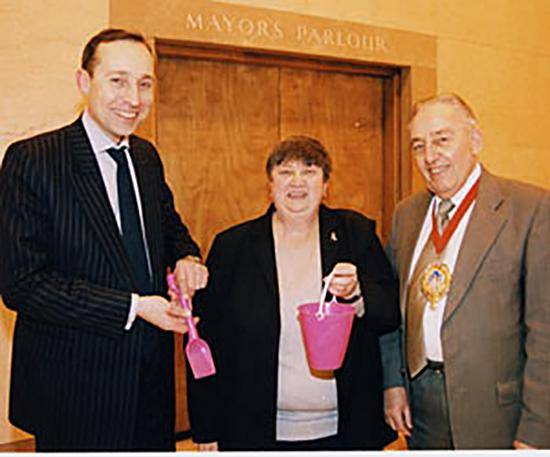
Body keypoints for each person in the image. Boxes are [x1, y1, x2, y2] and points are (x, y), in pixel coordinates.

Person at [0, 28, 209, 451]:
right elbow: (22, 284)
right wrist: (134, 307)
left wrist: (187, 256)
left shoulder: (147, 158)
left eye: (144, 83)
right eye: (118, 80)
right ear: (84, 82)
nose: (133, 98)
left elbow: (170, 228)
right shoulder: (33, 160)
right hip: (75, 389)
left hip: (150, 386)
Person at [187, 136, 400, 451]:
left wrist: (357, 294)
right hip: (253, 429)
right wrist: (206, 426)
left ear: (326, 185)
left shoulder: (356, 234)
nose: (297, 182)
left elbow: (390, 313)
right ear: (270, 186)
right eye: (285, 172)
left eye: (310, 171)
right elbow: (203, 340)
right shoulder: (233, 247)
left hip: (347, 429)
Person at [380, 93, 550, 449]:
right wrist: (394, 385)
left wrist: (537, 429)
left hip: (498, 413)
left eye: (442, 139)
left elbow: (545, 329)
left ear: (475, 140)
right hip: (421, 410)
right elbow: (390, 312)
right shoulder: (406, 215)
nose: (430, 157)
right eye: (418, 145)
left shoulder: (530, 209)